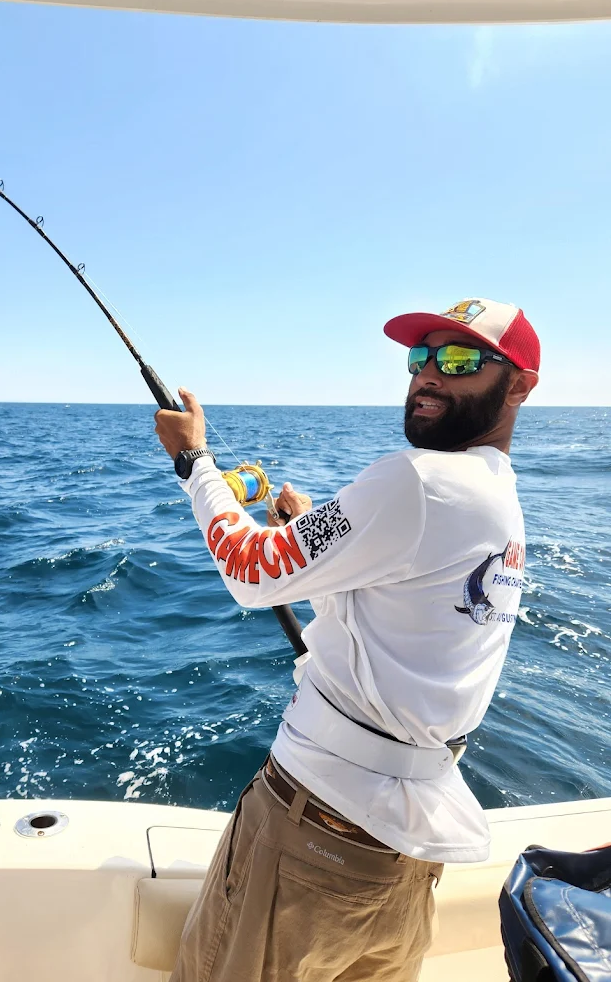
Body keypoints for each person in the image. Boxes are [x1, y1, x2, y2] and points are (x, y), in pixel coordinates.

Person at [154, 298, 540, 982]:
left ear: (517, 384)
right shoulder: (497, 497)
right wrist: (315, 535)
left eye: (456, 361)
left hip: (316, 838)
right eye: (419, 359)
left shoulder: (417, 479)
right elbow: (388, 608)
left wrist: (194, 464)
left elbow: (248, 570)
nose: (427, 375)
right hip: (404, 855)